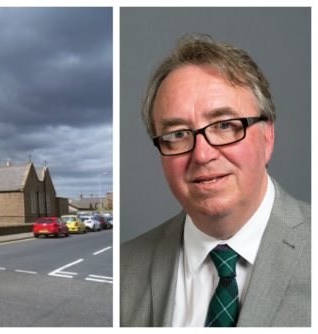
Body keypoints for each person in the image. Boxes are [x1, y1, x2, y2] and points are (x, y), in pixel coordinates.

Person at [120, 34, 310, 327]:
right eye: (178, 134)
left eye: (224, 126)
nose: (202, 155)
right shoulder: (124, 269)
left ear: (268, 136)